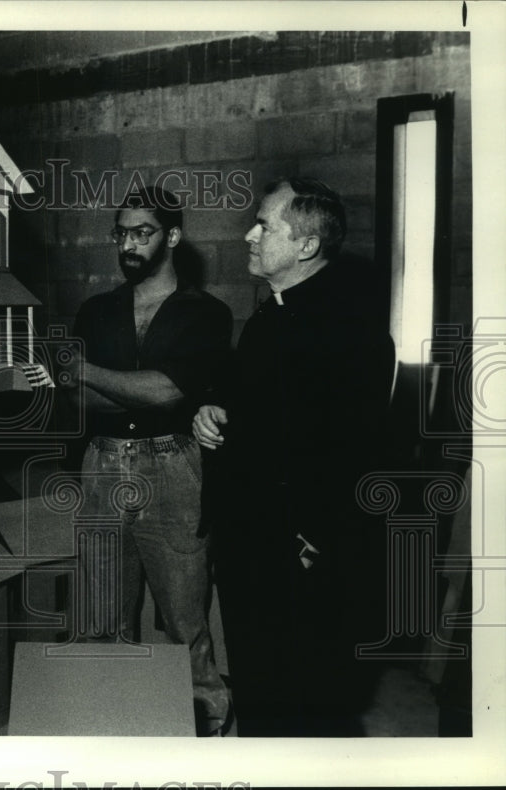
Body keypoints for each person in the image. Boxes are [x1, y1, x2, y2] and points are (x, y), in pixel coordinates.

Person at [193, 177, 395, 736]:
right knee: (259, 687)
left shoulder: (351, 331)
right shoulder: (270, 315)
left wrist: (314, 541)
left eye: (265, 225)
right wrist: (214, 412)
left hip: (295, 551)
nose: (248, 235)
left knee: (299, 701)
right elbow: (264, 411)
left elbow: (359, 449)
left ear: (306, 246)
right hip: (248, 539)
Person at [58, 186, 233, 736]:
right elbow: (77, 401)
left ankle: (206, 719)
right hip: (102, 464)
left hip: (173, 467)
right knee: (102, 612)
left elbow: (168, 394)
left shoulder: (207, 313)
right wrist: (109, 386)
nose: (129, 244)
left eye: (143, 232)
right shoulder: (96, 310)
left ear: (173, 237)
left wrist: (87, 371)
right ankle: (116, 723)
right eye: (122, 233)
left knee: (186, 616)